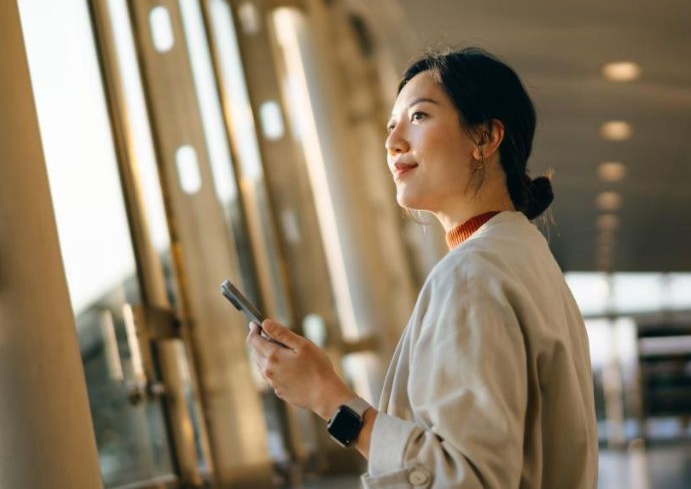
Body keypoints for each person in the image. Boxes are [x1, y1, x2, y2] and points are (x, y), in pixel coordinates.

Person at [248, 47, 597, 488]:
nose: (393, 141)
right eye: (391, 125)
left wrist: (328, 397)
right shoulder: (527, 260)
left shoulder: (473, 274)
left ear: (485, 138)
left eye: (419, 117)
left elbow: (466, 477)